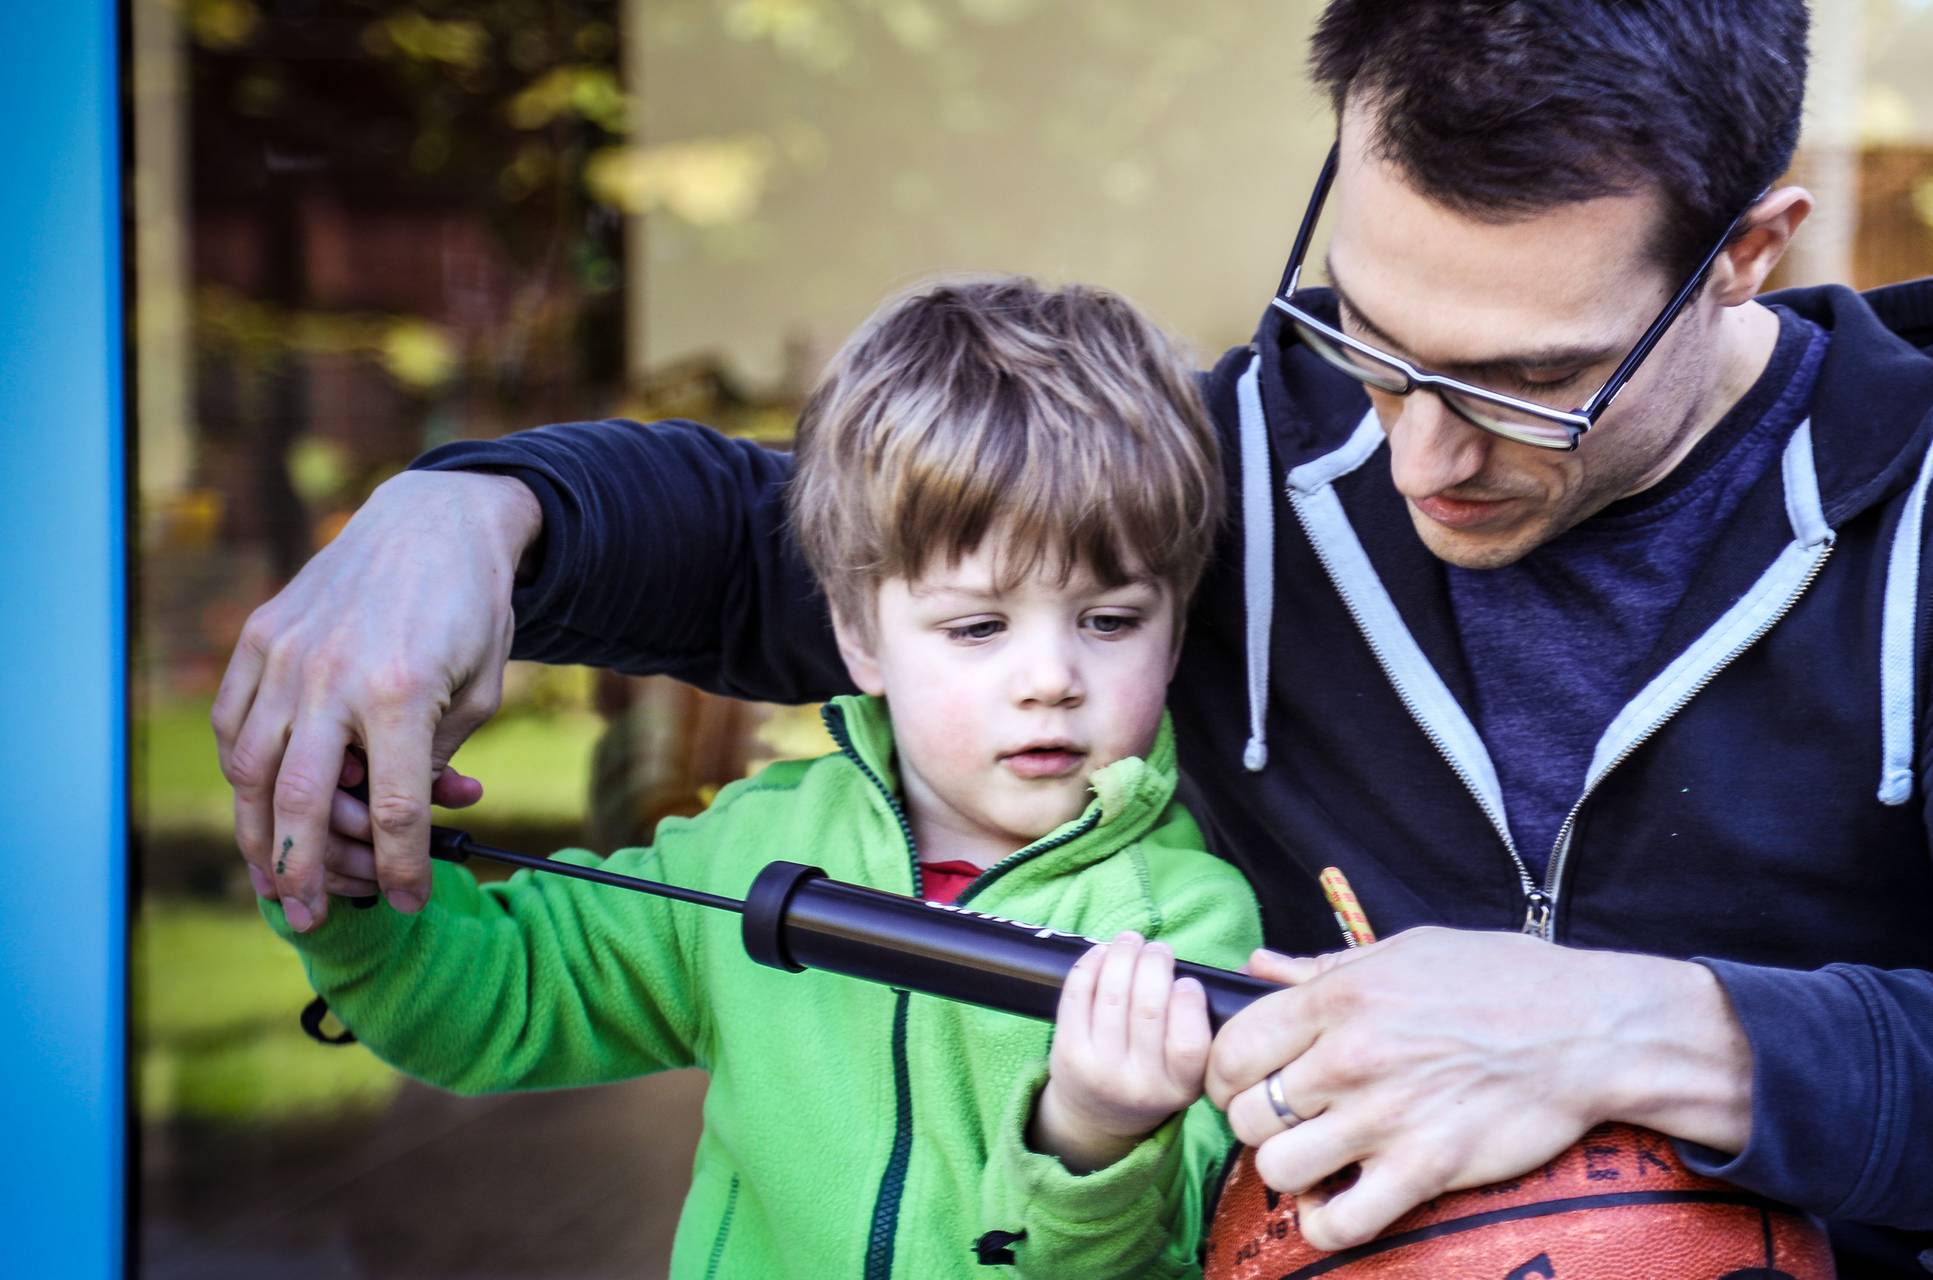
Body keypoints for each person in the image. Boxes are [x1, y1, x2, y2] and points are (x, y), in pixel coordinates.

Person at [215, 2, 1933, 1272]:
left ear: (1746, 253)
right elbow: (815, 554)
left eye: (1526, 383)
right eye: (1360, 338)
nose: (1412, 450)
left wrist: (1621, 1023)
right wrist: (480, 507)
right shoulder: (1253, 456)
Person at [255, 278, 1263, 1278]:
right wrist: (350, 899)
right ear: (859, 636)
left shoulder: (1190, 925)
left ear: (1176, 632)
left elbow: (1173, 1252)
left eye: (1111, 619)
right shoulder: (753, 846)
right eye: (977, 626)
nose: (1050, 679)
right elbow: (500, 999)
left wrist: (1092, 1135)